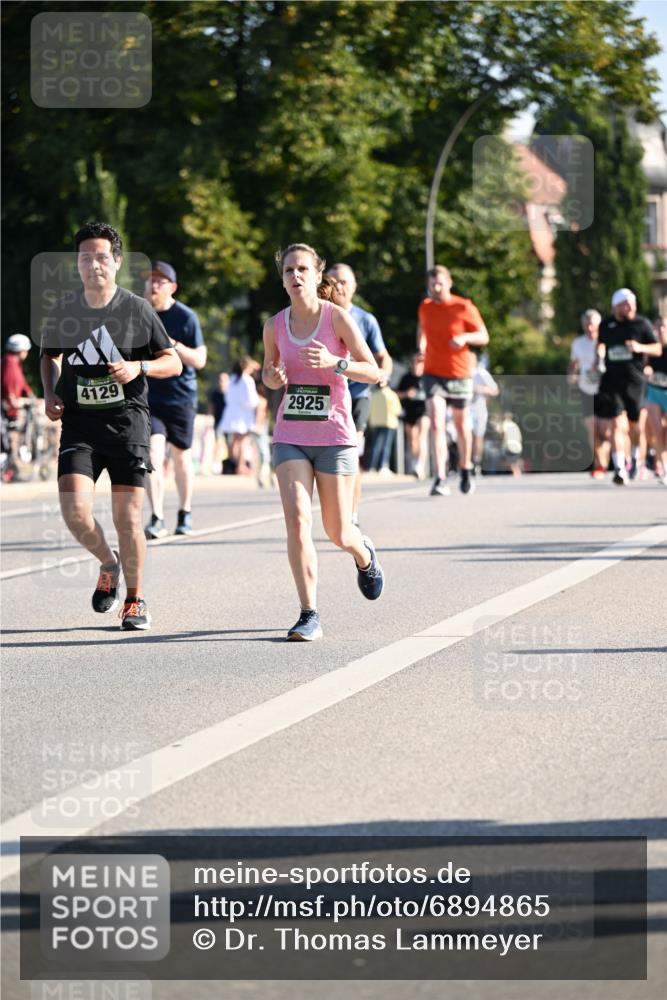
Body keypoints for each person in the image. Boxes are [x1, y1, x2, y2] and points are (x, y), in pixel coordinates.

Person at [40, 221, 181, 630]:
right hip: (80, 425)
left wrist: (139, 365)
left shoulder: (137, 309)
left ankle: (135, 601)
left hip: (127, 425)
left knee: (128, 519)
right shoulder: (64, 310)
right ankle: (108, 562)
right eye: (86, 258)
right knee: (74, 511)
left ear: (117, 262)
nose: (94, 265)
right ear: (77, 265)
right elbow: (49, 356)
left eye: (102, 257)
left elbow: (172, 361)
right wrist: (50, 392)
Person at [262, 242, 384, 641]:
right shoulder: (275, 325)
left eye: (302, 269)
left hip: (333, 436)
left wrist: (338, 363)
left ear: (317, 275)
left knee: (338, 532)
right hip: (290, 434)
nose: (295, 276)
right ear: (282, 279)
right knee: (298, 522)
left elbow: (375, 371)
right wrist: (273, 378)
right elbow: (268, 372)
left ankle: (363, 555)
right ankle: (308, 612)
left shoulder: (338, 319)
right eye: (288, 271)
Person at [325, 263, 392, 526]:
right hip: (326, 396)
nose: (339, 286)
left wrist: (383, 373)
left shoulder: (365, 320)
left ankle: (351, 515)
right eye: (334, 281)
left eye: (344, 281)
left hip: (356, 393)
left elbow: (382, 357)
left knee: (351, 452)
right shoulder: (319, 316)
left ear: (354, 286)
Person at [143, 261, 206, 539]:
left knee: (181, 457)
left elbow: (201, 360)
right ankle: (156, 516)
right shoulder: (139, 315)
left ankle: (185, 512)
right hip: (148, 396)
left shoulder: (185, 317)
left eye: (160, 281)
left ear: (172, 287)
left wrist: (172, 345)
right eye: (150, 280)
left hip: (181, 397)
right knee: (153, 454)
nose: (154, 285)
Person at [417, 265, 489, 496]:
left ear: (449, 283)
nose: (436, 289)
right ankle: (440, 477)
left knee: (461, 424)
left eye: (439, 284)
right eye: (432, 285)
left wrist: (464, 337)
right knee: (436, 422)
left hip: (459, 373)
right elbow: (422, 328)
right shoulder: (425, 307)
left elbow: (483, 336)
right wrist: (421, 346)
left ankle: (465, 467)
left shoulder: (463, 306)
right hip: (432, 372)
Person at [595, 288, 661, 485]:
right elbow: (600, 344)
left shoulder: (642, 324)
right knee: (616, 423)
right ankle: (620, 469)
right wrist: (598, 358)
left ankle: (633, 458)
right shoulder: (606, 324)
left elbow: (657, 348)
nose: (631, 307)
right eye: (627, 304)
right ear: (616, 306)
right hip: (612, 380)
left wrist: (640, 348)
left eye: (633, 304)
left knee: (635, 427)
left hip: (634, 381)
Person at [567, 308, 609, 478]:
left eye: (592, 324)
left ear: (598, 325)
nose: (589, 328)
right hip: (586, 389)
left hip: (605, 389)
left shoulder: (606, 341)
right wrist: (571, 374)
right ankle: (599, 465)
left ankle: (606, 459)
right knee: (591, 428)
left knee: (605, 431)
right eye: (586, 325)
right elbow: (573, 364)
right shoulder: (578, 343)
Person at [1, 333, 34, 478]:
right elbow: (8, 384)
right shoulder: (9, 362)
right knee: (8, 437)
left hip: (9, 407)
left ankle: (11, 468)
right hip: (7, 407)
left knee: (10, 436)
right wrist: (12, 401)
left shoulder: (13, 362)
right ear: (21, 349)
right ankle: (9, 468)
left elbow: (22, 384)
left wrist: (31, 396)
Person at [220, 356, 260, 475]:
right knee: (243, 441)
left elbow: (227, 396)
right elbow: (252, 400)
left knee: (235, 441)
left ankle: (234, 463)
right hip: (243, 415)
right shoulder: (247, 380)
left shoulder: (232, 378)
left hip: (231, 413)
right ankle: (241, 466)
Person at [397, 353, 429, 478]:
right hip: (410, 412)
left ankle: (419, 466)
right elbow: (397, 393)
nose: (416, 365)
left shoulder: (427, 378)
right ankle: (414, 464)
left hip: (424, 411)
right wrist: (406, 394)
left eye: (419, 362)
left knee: (422, 436)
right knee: (412, 441)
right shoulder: (406, 378)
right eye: (414, 362)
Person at [644, 316, 667, 485]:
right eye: (657, 327)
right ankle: (664, 468)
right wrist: (647, 369)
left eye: (664, 327)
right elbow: (643, 365)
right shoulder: (650, 348)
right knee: (657, 431)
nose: (660, 330)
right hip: (653, 392)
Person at [470, 352, 499, 474]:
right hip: (464, 409)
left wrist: (480, 389)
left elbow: (495, 390)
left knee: (478, 437)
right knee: (465, 435)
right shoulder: (461, 371)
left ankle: (476, 462)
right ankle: (466, 463)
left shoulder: (481, 373)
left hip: (479, 409)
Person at [368, 382, 402, 473]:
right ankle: (383, 466)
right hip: (389, 422)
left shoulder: (373, 394)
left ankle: (371, 466)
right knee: (386, 446)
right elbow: (397, 410)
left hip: (375, 422)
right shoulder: (391, 395)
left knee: (375, 445)